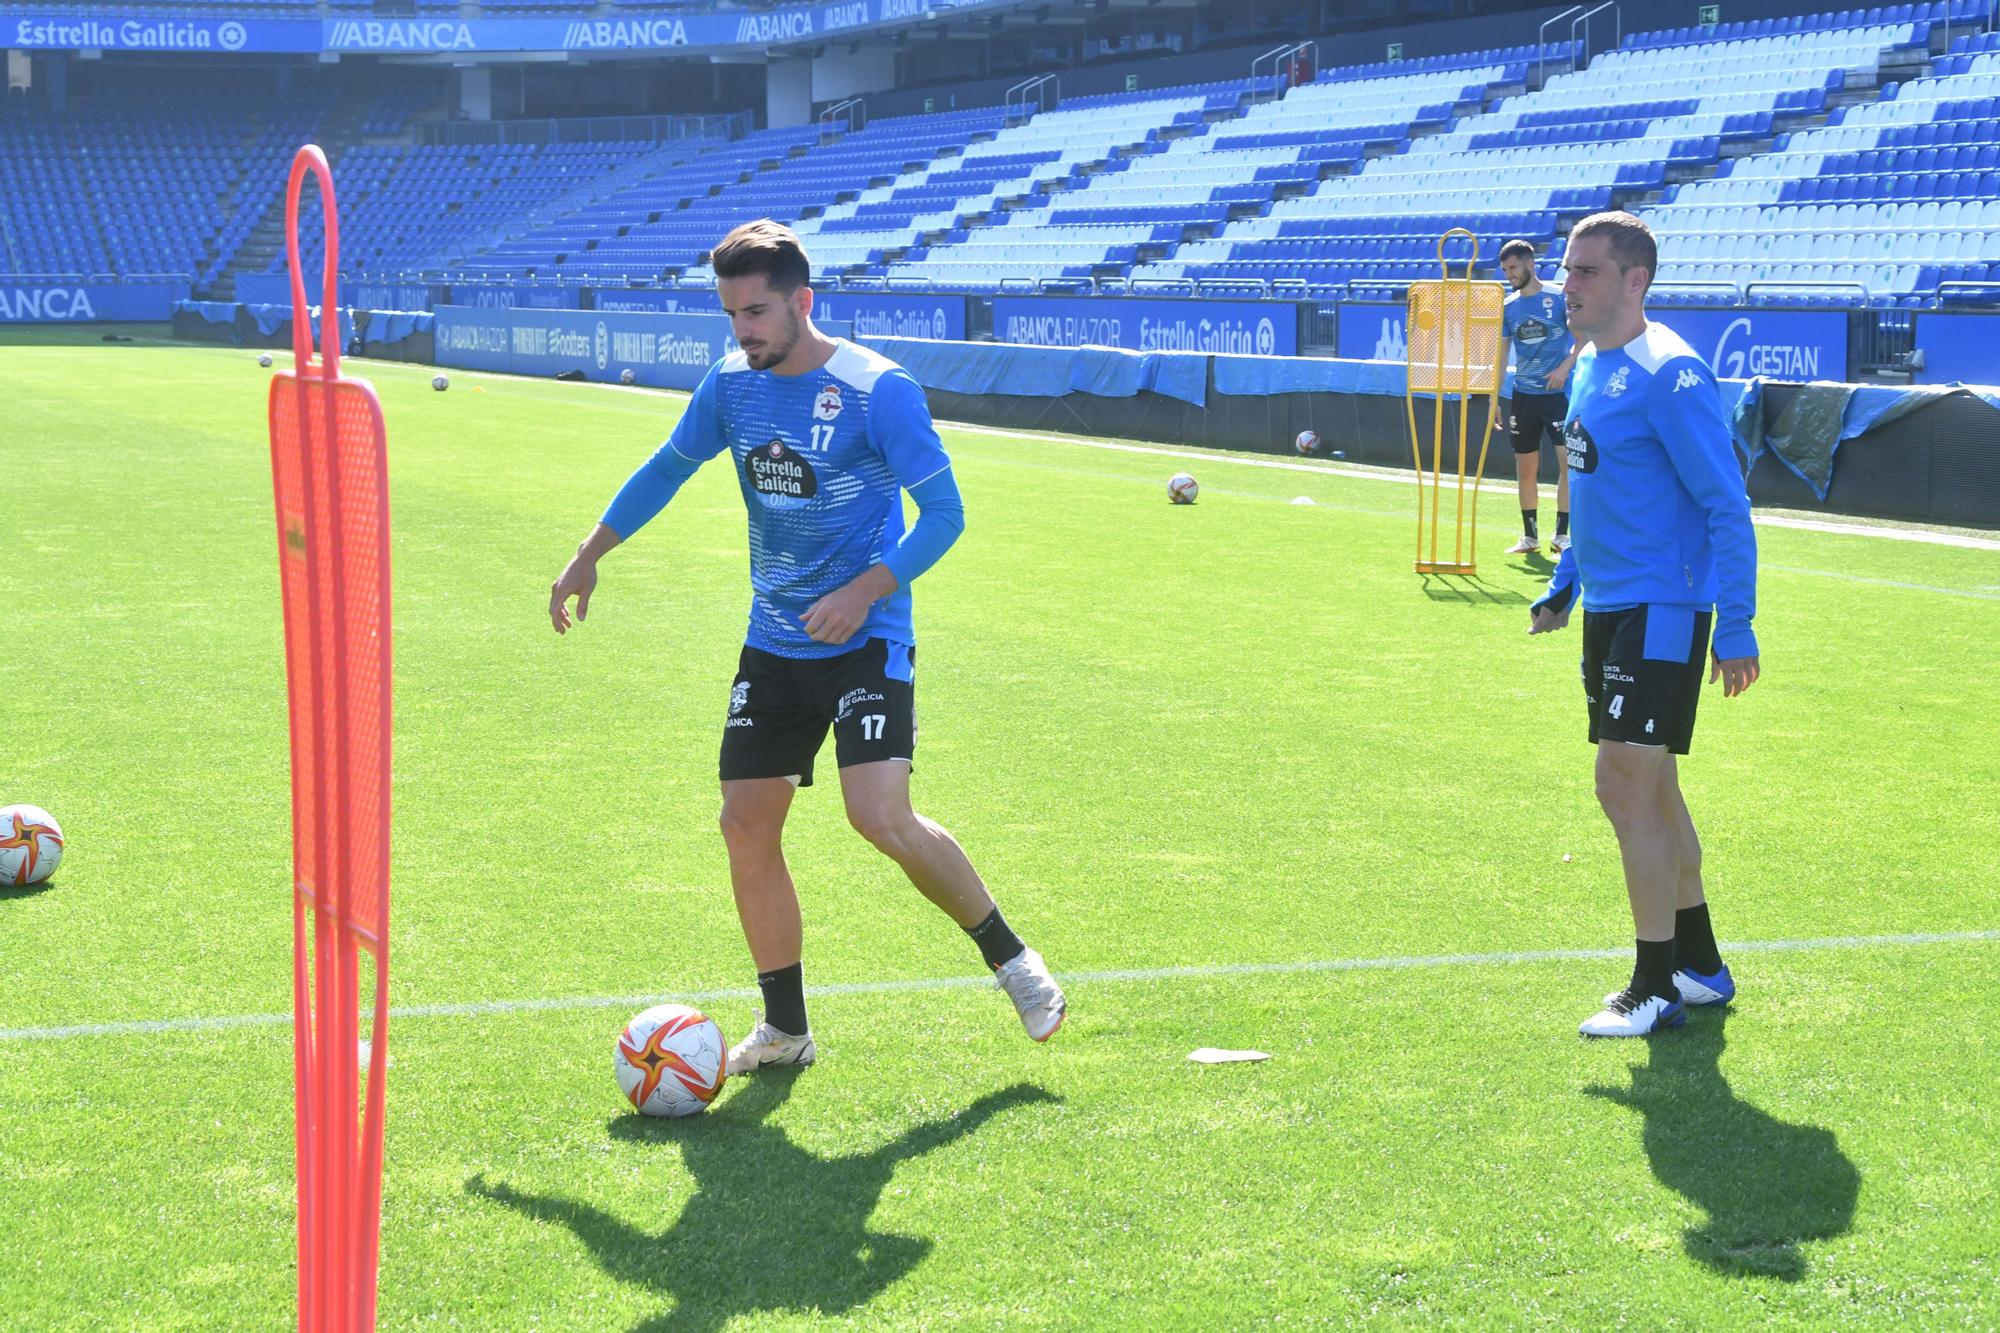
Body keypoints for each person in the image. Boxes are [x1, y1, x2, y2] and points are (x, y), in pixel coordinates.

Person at [548, 219, 1067, 1073]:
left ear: (802, 302)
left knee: (879, 815)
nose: (743, 330)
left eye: (755, 312)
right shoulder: (731, 384)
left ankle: (1012, 960)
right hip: (775, 641)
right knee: (745, 824)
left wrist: (868, 588)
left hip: (866, 638)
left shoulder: (878, 391)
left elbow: (946, 516)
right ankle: (786, 1029)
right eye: (731, 315)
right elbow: (667, 468)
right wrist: (587, 554)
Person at [1527, 211, 1760, 1039]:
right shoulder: (1589, 364)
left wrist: (1736, 624)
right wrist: (1563, 588)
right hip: (1613, 607)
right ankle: (1699, 965)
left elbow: (1727, 505)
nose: (1568, 285)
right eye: (1566, 269)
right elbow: (1596, 497)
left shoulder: (1673, 374)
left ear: (1637, 280)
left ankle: (1652, 984)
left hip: (1664, 609)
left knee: (1620, 785)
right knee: (1653, 788)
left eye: (1587, 271)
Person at [1493, 238, 1578, 556]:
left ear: (1530, 263)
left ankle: (1561, 535)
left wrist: (1564, 368)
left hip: (1557, 395)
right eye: (1504, 270)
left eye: (1513, 267)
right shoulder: (1509, 307)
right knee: (1525, 467)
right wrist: (1494, 400)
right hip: (1523, 396)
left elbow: (1582, 339)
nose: (1509, 275)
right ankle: (1529, 537)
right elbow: (1501, 357)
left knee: (1566, 465)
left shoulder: (1558, 298)